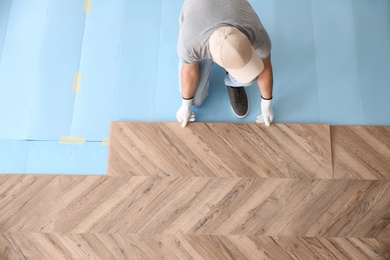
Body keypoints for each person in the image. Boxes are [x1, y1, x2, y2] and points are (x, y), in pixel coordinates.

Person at [176, 0, 274, 127]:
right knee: (195, 100)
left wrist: (267, 102)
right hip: (198, 18)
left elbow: (265, 66)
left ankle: (233, 81)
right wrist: (186, 105)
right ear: (215, 60)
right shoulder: (190, 44)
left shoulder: (256, 34)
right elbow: (189, 71)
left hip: (231, 10)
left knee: (249, 78)